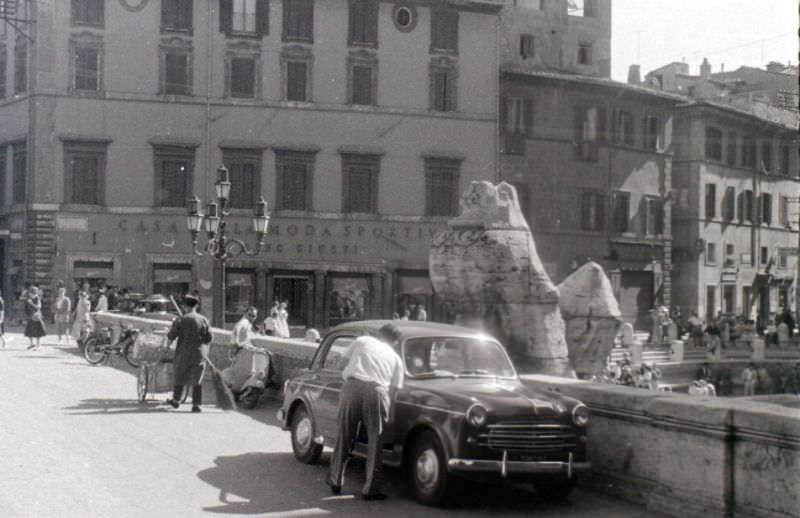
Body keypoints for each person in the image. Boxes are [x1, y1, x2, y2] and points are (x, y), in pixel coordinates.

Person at [327, 323, 404, 500]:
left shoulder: (362, 341)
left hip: (352, 387)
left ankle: (335, 480)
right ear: (394, 341)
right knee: (375, 441)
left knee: (344, 435)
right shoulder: (395, 358)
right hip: (377, 392)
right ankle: (370, 489)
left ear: (379, 334)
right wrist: (388, 413)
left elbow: (340, 363)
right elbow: (394, 390)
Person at [166, 292, 213, 413]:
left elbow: (171, 335)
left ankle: (176, 400)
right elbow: (209, 338)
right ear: (196, 306)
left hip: (183, 353)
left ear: (185, 306)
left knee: (179, 376)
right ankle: (196, 405)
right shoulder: (204, 320)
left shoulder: (181, 320)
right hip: (199, 354)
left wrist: (166, 346)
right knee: (197, 380)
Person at [24, 286, 47, 350]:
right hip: (31, 316)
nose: (29, 294)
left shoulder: (37, 298)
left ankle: (38, 345)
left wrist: (31, 303)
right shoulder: (29, 299)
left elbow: (39, 307)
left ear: (33, 293)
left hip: (36, 317)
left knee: (37, 332)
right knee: (29, 331)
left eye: (30, 293)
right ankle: (32, 344)